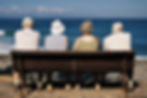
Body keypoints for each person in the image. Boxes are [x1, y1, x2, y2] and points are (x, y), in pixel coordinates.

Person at [13, 17, 40, 87]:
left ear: (23, 25)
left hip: (19, 63)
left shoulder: (17, 33)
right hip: (33, 62)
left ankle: (16, 80)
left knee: (16, 65)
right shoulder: (37, 34)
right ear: (32, 25)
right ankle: (37, 81)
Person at [73, 20, 99, 87]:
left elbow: (74, 53)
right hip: (94, 64)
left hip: (80, 64)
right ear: (91, 29)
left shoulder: (78, 40)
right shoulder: (96, 40)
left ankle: (78, 83)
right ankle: (96, 83)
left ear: (82, 29)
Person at [44, 19, 68, 89]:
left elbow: (46, 51)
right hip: (63, 63)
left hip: (49, 63)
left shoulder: (47, 38)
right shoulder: (66, 39)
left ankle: (49, 83)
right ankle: (67, 82)